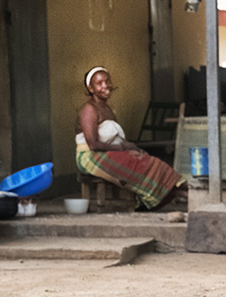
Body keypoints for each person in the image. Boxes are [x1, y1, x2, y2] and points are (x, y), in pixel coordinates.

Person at [75, 67, 184, 210]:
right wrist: (121, 148)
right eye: (99, 83)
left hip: (107, 151)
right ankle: (172, 192)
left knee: (146, 159)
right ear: (91, 88)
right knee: (135, 163)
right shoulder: (89, 110)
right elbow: (93, 144)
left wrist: (130, 146)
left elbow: (114, 139)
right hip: (89, 157)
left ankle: (174, 189)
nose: (105, 86)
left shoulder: (107, 109)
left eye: (107, 81)